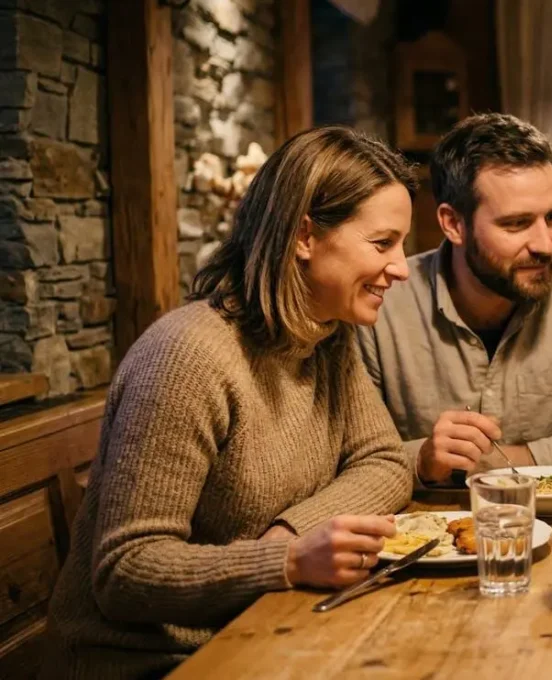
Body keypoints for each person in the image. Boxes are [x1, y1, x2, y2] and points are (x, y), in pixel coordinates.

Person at [42, 127, 416, 678]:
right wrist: (284, 561)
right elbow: (125, 571)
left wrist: (292, 533)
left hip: (261, 630)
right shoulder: (187, 356)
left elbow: (384, 460)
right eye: (383, 244)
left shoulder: (326, 335)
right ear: (305, 236)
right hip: (148, 661)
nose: (403, 267)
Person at [357, 113, 552, 487]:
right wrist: (423, 460)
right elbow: (352, 457)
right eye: (516, 224)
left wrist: (481, 464)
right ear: (453, 224)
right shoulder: (385, 299)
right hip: (422, 536)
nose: (544, 244)